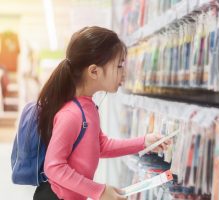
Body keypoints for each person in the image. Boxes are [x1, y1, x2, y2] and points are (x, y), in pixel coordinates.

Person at [33, 26, 170, 200]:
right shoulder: (72, 114)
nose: (124, 73)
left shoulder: (88, 107)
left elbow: (101, 146)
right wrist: (99, 190)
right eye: (119, 66)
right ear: (94, 71)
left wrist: (144, 142)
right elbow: (53, 166)